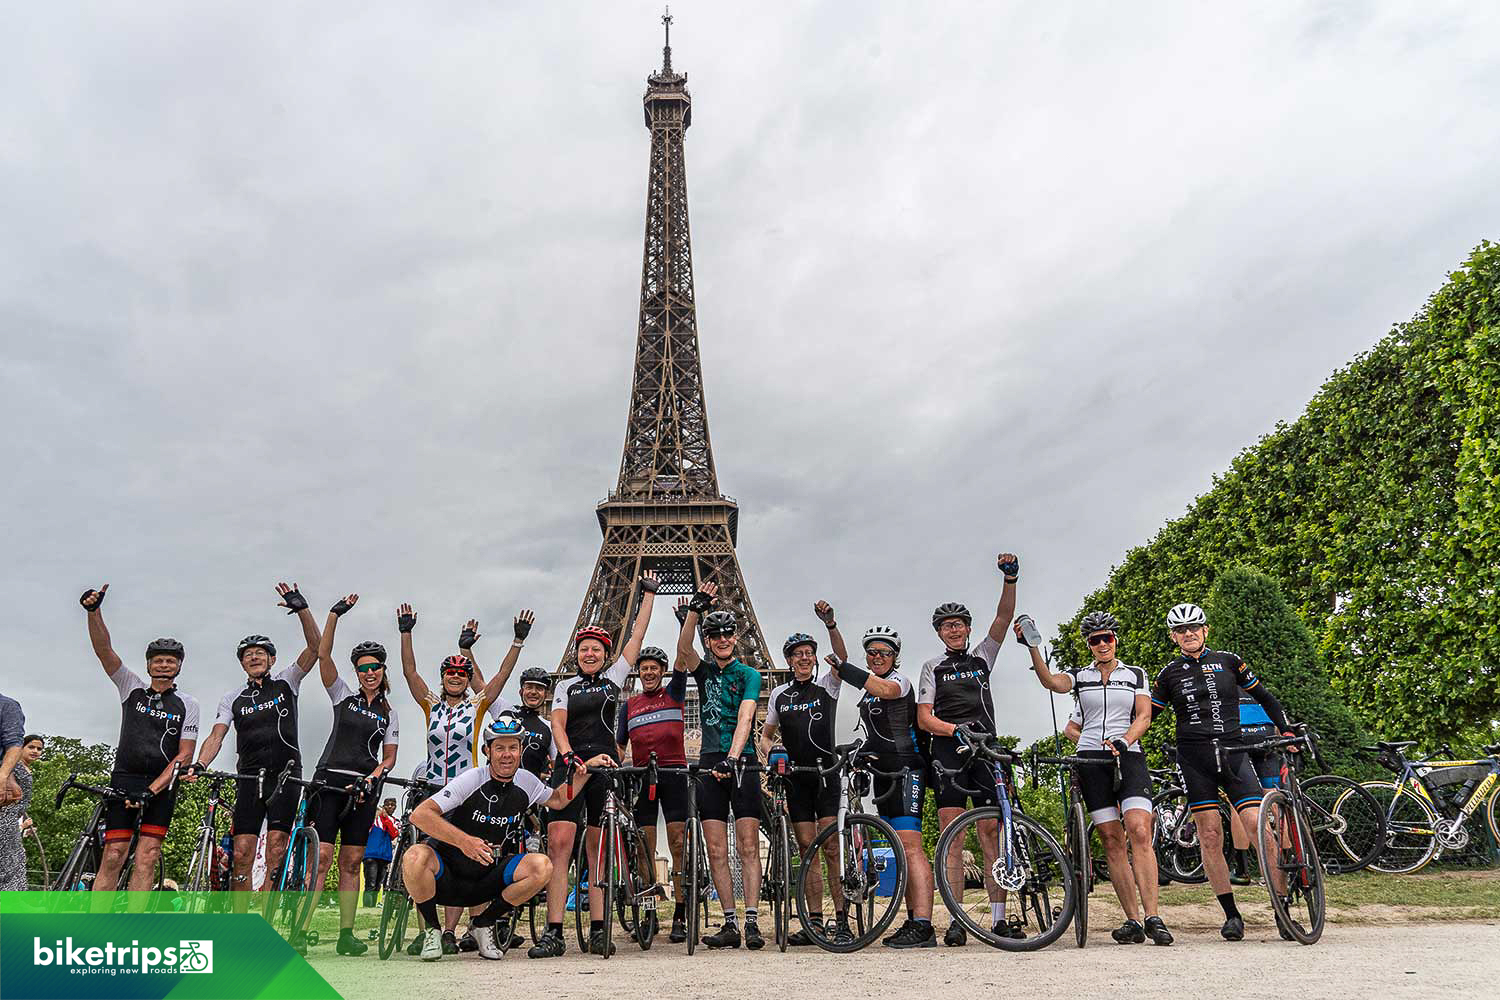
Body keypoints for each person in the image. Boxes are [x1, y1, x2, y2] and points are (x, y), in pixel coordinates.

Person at [403, 713, 614, 961]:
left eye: (513, 748)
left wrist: (587, 768)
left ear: (521, 750)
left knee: (542, 866)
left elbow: (558, 800)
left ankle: (483, 924)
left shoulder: (526, 781)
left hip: (486, 879)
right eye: (500, 748)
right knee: (415, 856)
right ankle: (432, 931)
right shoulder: (471, 779)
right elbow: (420, 815)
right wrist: (464, 841)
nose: (507, 755)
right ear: (487, 751)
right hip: (448, 875)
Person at [1020, 610, 1172, 945]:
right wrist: (1032, 647)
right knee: (1111, 839)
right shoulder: (1080, 676)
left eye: (1108, 638)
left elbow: (1144, 716)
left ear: (1115, 640)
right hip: (1090, 759)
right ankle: (1132, 920)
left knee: (1139, 829)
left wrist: (1125, 740)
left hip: (1127, 755)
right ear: (1089, 645)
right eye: (1095, 640)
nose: (1103, 644)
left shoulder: (1135, 674)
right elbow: (1051, 683)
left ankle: (1153, 916)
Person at [530, 572, 658, 959]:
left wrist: (648, 595)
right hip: (572, 767)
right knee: (559, 846)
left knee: (598, 850)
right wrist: (569, 756)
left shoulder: (614, 678)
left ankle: (601, 928)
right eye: (584, 649)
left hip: (604, 768)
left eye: (596, 649)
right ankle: (554, 931)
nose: (590, 654)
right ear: (577, 654)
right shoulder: (565, 686)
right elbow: (557, 724)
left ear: (605, 654)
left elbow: (636, 638)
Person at [1148, 602, 1293, 941]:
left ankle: (1281, 907)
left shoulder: (1229, 660)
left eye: (1194, 627)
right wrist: (1123, 740)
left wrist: (1285, 729)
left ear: (1205, 630)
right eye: (1181, 630)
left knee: (1258, 826)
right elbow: (1147, 716)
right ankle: (1231, 915)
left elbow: (1265, 696)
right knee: (1210, 834)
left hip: (1233, 753)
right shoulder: (1169, 674)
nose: (1188, 633)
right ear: (1173, 637)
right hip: (1194, 759)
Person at [397, 605, 533, 954]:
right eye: (451, 673)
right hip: (433, 790)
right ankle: (430, 931)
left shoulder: (476, 706)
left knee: (465, 858)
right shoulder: (431, 705)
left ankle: (456, 931)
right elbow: (409, 672)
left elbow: (501, 677)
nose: (456, 677)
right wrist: (405, 632)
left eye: (462, 673)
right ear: (443, 677)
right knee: (424, 859)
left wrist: (517, 641)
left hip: (466, 792)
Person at [188, 583, 321, 912]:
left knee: (276, 847)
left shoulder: (287, 681)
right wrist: (200, 763)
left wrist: (302, 610)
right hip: (249, 777)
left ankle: (266, 917)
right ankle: (240, 920)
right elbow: (216, 735)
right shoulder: (232, 698)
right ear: (242, 664)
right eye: (248, 655)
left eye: (260, 653)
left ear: (272, 659)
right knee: (242, 851)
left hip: (286, 774)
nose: (254, 657)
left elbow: (316, 648)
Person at [916, 554, 1018, 945]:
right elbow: (924, 718)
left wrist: (1010, 579)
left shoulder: (982, 655)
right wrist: (955, 730)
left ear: (968, 628)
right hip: (949, 752)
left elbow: (1004, 618)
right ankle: (958, 919)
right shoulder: (932, 667)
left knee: (991, 833)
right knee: (952, 837)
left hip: (986, 749)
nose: (954, 629)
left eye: (958, 624)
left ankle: (998, 918)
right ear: (939, 632)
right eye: (947, 626)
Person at [78, 585, 200, 899]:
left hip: (161, 786)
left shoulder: (188, 704)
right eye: (157, 660)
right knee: (113, 854)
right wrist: (94, 612)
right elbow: (104, 651)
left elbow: (184, 755)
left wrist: (151, 790)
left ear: (179, 666)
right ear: (148, 666)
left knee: (148, 855)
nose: (163, 665)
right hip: (125, 778)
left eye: (170, 661)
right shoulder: (131, 687)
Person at [295, 593, 401, 955]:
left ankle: (346, 934)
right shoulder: (343, 696)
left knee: (352, 862)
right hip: (330, 783)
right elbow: (323, 656)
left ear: (383, 670)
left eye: (375, 667)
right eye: (363, 668)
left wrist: (374, 776)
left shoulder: (389, 712)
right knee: (321, 860)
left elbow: (389, 757)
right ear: (356, 672)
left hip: (364, 789)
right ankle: (300, 930)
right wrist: (334, 615)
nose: (369, 673)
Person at [828, 626, 938, 949]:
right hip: (883, 775)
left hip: (906, 770)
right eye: (872, 652)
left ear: (895, 656)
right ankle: (912, 920)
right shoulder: (868, 695)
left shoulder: (898, 681)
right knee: (899, 850)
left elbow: (887, 691)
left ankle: (924, 925)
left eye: (885, 653)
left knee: (911, 846)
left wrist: (846, 670)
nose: (878, 657)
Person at [675, 581, 765, 950]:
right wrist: (694, 612)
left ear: (735, 637)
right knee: (715, 849)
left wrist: (734, 756)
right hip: (709, 760)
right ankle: (729, 922)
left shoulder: (749, 675)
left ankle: (752, 920)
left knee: (748, 845)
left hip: (741, 761)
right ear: (709, 641)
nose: (723, 639)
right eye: (716, 635)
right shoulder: (705, 672)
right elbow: (683, 650)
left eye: (728, 633)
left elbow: (746, 717)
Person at [756, 601, 851, 946]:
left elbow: (842, 658)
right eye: (798, 654)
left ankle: (842, 919)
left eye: (809, 653)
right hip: (796, 778)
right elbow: (766, 736)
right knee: (807, 848)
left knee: (832, 848)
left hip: (825, 774)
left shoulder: (827, 685)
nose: (805, 658)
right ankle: (814, 921)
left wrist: (830, 624)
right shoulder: (780, 695)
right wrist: (772, 753)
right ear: (789, 660)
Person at [615, 640, 691, 944]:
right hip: (643, 778)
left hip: (674, 774)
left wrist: (687, 623)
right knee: (644, 848)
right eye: (644, 668)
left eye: (654, 668)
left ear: (663, 671)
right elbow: (620, 746)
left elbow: (683, 657)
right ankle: (649, 913)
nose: (648, 672)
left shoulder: (675, 693)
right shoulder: (629, 706)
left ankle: (680, 914)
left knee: (678, 843)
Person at [1225, 686, 1284, 884]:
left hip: (1240, 739)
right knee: (1276, 800)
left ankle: (1242, 870)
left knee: (1239, 804)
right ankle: (1288, 861)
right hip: (1267, 736)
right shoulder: (1256, 687)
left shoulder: (1221, 687)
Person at [0, 701, 31, 890]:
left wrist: (4, 776)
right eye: (32, 747)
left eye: (39, 749)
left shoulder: (6, 706)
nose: (35, 752)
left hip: (6, 807)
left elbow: (14, 743)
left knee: (8, 862)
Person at [364, 798, 399, 907]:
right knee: (370, 883)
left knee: (378, 885)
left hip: (384, 856)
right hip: (371, 855)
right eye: (387, 804)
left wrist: (386, 818)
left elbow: (394, 834)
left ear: (395, 807)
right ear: (384, 806)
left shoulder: (395, 821)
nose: (390, 806)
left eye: (392, 805)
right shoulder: (375, 818)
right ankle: (367, 907)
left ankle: (372, 906)